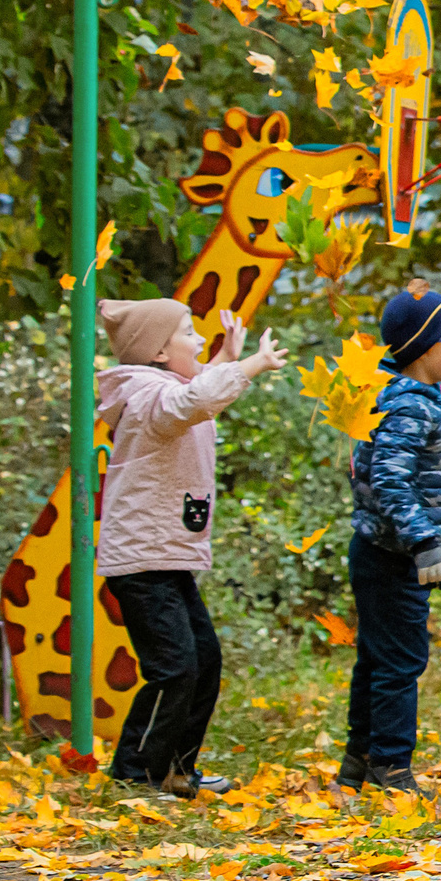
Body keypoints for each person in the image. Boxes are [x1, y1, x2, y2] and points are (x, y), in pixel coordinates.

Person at [94, 299, 287, 797]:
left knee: (205, 659)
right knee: (174, 667)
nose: (198, 340)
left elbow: (196, 394)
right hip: (142, 560)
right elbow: (187, 403)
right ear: (159, 351)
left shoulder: (163, 390)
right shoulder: (145, 397)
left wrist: (225, 359)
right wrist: (249, 365)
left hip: (167, 554)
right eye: (188, 333)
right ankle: (135, 772)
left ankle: (176, 766)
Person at [339, 288, 441, 795]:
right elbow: (390, 481)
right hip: (393, 556)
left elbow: (413, 472)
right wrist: (424, 543)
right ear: (423, 346)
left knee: (377, 657)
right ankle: (391, 769)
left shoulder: (409, 399)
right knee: (399, 663)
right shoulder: (411, 404)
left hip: (382, 551)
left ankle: (358, 761)